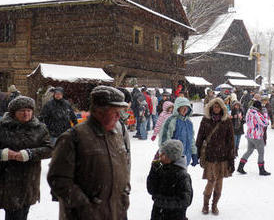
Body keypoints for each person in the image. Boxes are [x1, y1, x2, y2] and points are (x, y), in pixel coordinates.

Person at [47, 86, 131, 220]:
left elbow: (123, 168)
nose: (118, 116)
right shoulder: (73, 138)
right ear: (98, 111)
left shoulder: (116, 135)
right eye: (114, 111)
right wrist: (84, 206)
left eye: (119, 112)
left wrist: (124, 196)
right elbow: (58, 179)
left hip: (115, 213)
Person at [0, 96, 52, 220]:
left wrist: (29, 154)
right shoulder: (3, 127)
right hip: (7, 180)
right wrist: (4, 154)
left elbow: (50, 149)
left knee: (23, 212)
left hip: (29, 180)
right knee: (13, 214)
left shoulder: (39, 128)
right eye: (22, 111)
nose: (26, 113)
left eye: (29, 110)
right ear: (13, 112)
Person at [196, 98, 235, 215]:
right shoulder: (205, 120)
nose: (216, 109)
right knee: (211, 181)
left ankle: (214, 205)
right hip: (210, 156)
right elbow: (200, 137)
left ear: (222, 108)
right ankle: (205, 204)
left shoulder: (227, 121)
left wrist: (231, 159)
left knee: (219, 182)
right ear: (211, 108)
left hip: (223, 156)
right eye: (214, 107)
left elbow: (231, 141)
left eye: (218, 107)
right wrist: (197, 153)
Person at [147, 139, 193, 220]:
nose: (160, 156)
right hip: (158, 215)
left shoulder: (182, 176)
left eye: (163, 154)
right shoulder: (161, 169)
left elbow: (185, 200)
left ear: (171, 157)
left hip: (174, 216)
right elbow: (151, 190)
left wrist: (162, 202)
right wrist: (153, 171)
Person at [159, 97, 198, 167]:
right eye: (182, 107)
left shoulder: (189, 122)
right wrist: (164, 155)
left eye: (187, 108)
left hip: (185, 158)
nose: (185, 110)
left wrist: (194, 153)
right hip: (173, 159)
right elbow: (164, 139)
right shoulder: (171, 121)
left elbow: (191, 139)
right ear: (177, 108)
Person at [237, 100, 270, 176]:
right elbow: (265, 123)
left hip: (250, 134)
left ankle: (240, 167)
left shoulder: (249, 111)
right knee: (261, 152)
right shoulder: (256, 113)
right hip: (257, 135)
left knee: (249, 150)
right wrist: (265, 113)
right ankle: (261, 170)